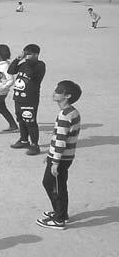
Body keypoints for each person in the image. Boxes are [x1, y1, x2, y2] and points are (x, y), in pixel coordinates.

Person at [36, 81, 82, 230]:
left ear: (67, 96)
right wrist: (50, 155)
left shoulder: (64, 115)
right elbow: (60, 139)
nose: (54, 92)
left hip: (61, 158)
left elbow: (61, 140)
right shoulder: (72, 111)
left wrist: (55, 161)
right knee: (58, 184)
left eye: (58, 91)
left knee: (53, 185)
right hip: (63, 156)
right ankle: (61, 212)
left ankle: (59, 218)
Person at [8, 44, 46, 156]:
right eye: (25, 53)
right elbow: (11, 70)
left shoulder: (40, 65)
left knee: (30, 122)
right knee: (21, 120)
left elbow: (31, 73)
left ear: (36, 54)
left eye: (28, 54)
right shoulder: (23, 64)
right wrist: (17, 59)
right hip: (18, 98)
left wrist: (28, 61)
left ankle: (35, 146)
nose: (26, 56)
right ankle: (24, 140)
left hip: (30, 99)